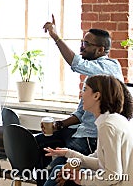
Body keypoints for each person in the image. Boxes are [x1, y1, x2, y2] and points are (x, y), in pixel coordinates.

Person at [35, 15, 124, 186]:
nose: (81, 47)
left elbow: (76, 63)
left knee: (57, 170)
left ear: (100, 50)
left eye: (86, 44)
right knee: (37, 144)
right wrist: (59, 125)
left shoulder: (108, 67)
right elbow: (81, 112)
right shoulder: (93, 76)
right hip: (80, 131)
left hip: (90, 139)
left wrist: (55, 36)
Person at [43, 75, 133, 186]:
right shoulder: (114, 120)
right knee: (60, 170)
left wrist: (83, 180)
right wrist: (68, 153)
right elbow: (101, 162)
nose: (81, 94)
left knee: (61, 173)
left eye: (85, 89)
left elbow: (113, 175)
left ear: (96, 96)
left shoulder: (108, 126)